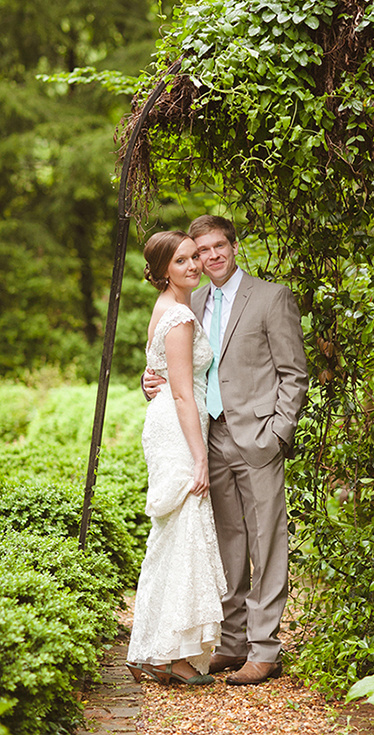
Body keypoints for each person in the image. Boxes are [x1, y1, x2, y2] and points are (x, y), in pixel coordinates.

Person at [144, 215, 308, 686]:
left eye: (218, 246)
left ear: (234, 247)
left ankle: (265, 648)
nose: (210, 257)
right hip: (209, 438)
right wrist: (147, 381)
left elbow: (294, 373)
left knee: (267, 542)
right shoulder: (189, 301)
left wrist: (278, 432)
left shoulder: (270, 297)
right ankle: (233, 642)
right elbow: (174, 367)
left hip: (257, 438)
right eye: (200, 250)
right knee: (228, 544)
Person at [126, 230, 226, 687]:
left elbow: (163, 375)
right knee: (183, 533)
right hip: (180, 428)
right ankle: (174, 654)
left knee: (171, 536)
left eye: (195, 258)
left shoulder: (166, 308)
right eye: (182, 260)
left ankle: (152, 647)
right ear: (164, 269)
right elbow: (185, 394)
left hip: (167, 422)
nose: (193, 265)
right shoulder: (181, 316)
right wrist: (200, 458)